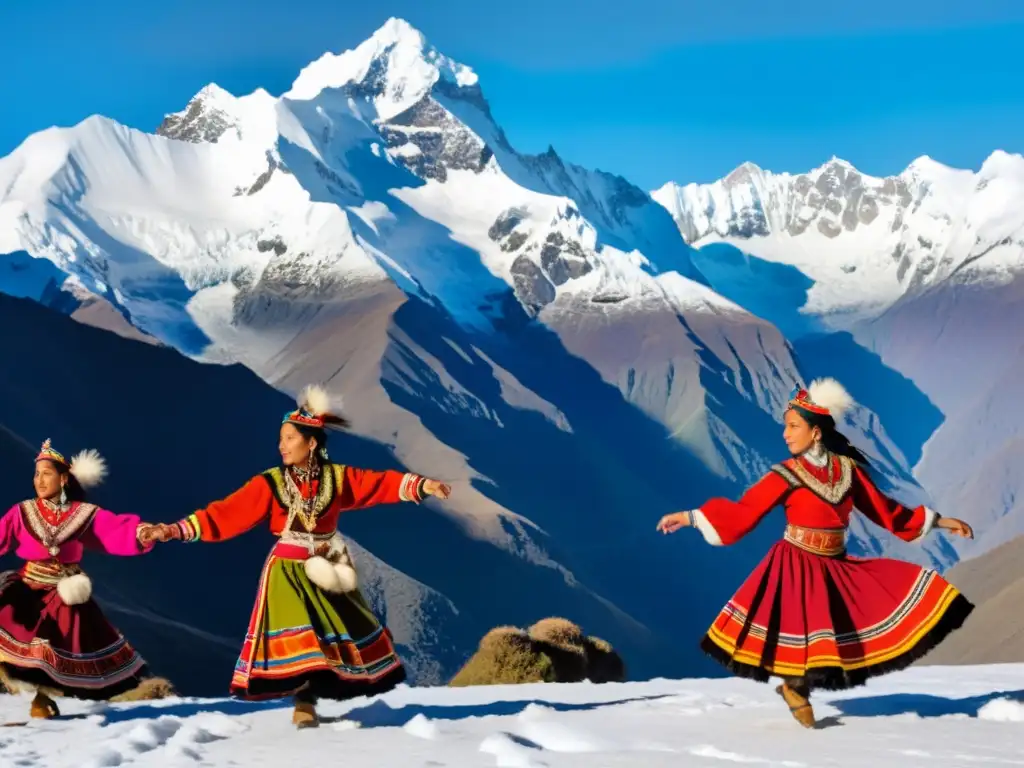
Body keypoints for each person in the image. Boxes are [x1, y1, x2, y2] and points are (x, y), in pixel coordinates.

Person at [656, 378, 975, 729]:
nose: (785, 434)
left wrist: (941, 521)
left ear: (816, 432)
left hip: (834, 563)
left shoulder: (849, 472)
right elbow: (743, 513)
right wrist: (690, 517)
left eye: (793, 426)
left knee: (841, 631)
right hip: (794, 564)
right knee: (805, 635)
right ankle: (795, 687)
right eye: (785, 427)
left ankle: (796, 687)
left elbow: (886, 511)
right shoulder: (785, 475)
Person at [148, 385, 452, 728]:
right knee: (305, 641)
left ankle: (319, 699)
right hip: (288, 573)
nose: (281, 445)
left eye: (289, 438)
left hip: (331, 568)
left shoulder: (337, 479)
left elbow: (377, 484)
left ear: (311, 443)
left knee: (340, 639)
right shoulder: (271, 483)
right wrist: (172, 530)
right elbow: (226, 514)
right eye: (281, 438)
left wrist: (423, 485)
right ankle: (304, 702)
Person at [0, 440, 166, 719]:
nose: (39, 480)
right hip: (27, 587)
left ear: (63, 478)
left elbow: (115, 530)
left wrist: (144, 533)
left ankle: (41, 700)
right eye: (36, 474)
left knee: (51, 651)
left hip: (64, 594)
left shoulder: (83, 514)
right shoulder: (22, 512)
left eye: (47, 474)